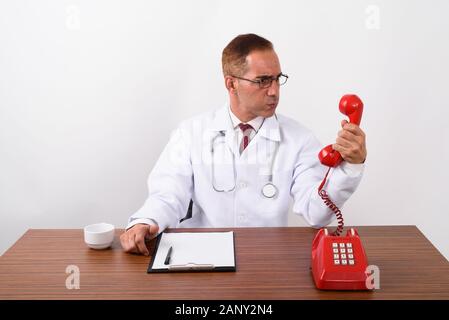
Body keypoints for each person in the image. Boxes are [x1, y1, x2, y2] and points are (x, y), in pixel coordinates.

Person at [120, 34, 367, 256]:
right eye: (262, 81)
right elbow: (167, 194)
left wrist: (350, 168)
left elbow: (317, 213)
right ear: (231, 83)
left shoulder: (300, 139)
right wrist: (145, 220)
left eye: (277, 79)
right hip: (202, 257)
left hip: (266, 257)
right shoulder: (191, 133)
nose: (274, 91)